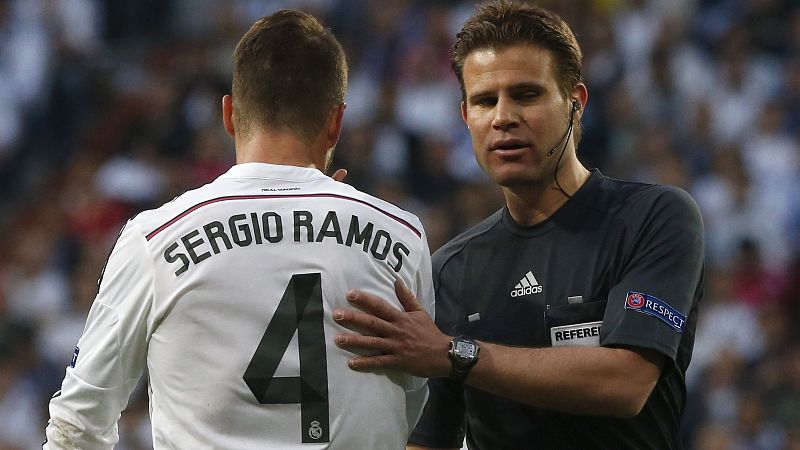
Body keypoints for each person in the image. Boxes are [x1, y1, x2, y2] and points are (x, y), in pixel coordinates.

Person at [43, 10, 434, 450]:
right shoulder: (404, 236)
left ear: (229, 114)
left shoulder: (154, 239)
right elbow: (417, 413)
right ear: (336, 122)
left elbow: (77, 425)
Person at [332, 1, 704, 449]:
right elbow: (428, 441)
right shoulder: (449, 270)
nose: (503, 117)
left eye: (526, 95)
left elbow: (627, 382)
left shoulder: (654, 217)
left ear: (575, 103)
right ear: (465, 117)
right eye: (485, 101)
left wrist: (456, 353)